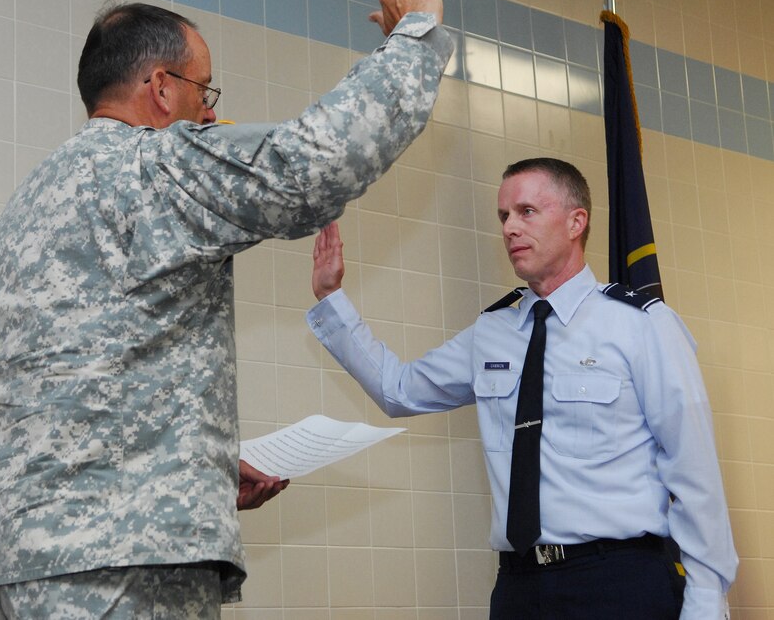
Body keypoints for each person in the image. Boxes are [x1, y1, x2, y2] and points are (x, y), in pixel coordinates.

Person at [0, 0, 453, 618]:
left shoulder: (15, 219)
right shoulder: (151, 166)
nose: (209, 111)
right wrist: (414, 37)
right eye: (201, 88)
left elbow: (80, 373)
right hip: (114, 570)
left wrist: (193, 467)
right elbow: (311, 164)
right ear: (159, 88)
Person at [307, 157, 737, 619]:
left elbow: (695, 475)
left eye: (527, 211)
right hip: (519, 588)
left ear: (577, 221)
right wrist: (331, 299)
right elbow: (399, 390)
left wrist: (706, 601)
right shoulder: (493, 329)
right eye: (504, 216)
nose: (510, 227)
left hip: (619, 582)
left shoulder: (641, 325)